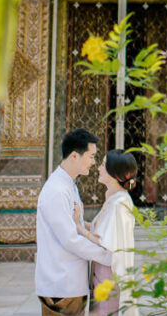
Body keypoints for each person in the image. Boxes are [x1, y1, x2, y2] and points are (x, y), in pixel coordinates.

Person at [35, 128, 113, 316]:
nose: (94, 162)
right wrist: (107, 256)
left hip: (71, 282)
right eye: (91, 156)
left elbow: (74, 226)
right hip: (61, 284)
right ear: (74, 156)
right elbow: (70, 238)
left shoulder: (68, 184)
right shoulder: (57, 190)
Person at [74, 149, 140, 316]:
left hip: (108, 273)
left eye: (103, 165)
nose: (98, 168)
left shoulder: (119, 204)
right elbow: (102, 230)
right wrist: (83, 222)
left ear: (115, 174)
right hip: (101, 271)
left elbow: (103, 242)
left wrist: (78, 226)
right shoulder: (114, 199)